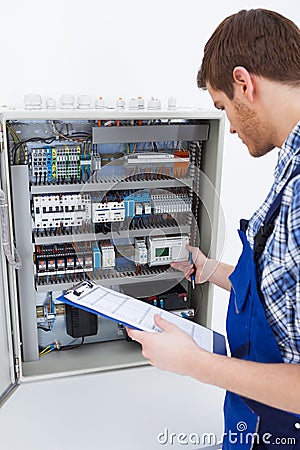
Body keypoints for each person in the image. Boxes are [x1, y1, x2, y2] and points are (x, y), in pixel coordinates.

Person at [127, 8, 300, 449]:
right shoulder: (289, 164)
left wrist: (194, 364)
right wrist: (211, 270)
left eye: (223, 107)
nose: (231, 126)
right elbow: (281, 287)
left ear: (245, 82)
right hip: (253, 418)